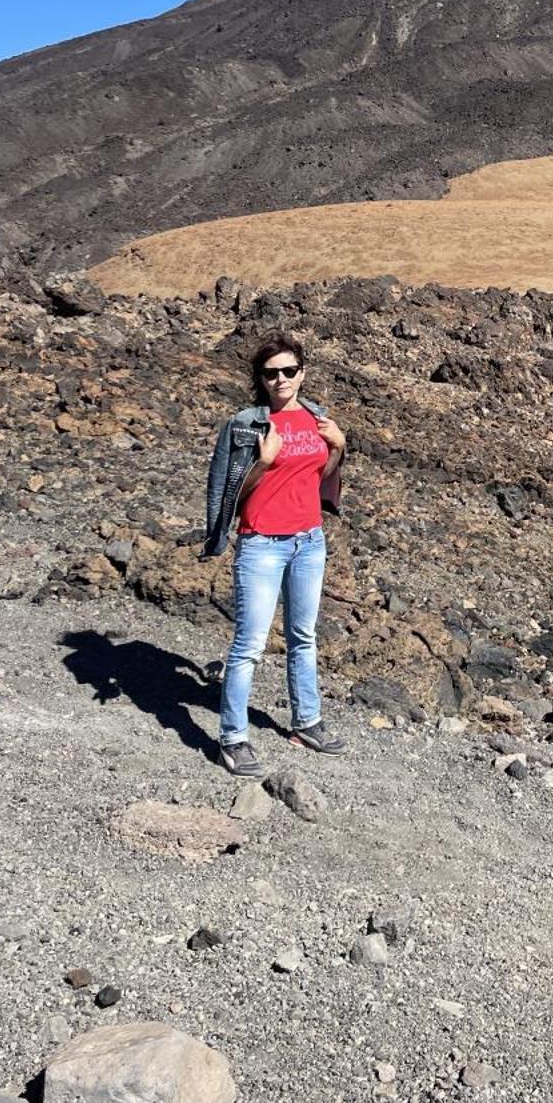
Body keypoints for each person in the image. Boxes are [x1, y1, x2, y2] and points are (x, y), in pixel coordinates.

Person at [201, 332, 348, 776]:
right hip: (262, 542)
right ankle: (233, 738)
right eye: (271, 373)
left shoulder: (316, 418)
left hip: (309, 540)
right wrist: (262, 463)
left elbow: (319, 476)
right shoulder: (246, 424)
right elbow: (228, 490)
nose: (280, 379)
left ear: (302, 373)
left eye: (289, 371)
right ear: (260, 379)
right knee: (250, 645)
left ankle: (307, 722)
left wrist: (340, 445)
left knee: (303, 637)